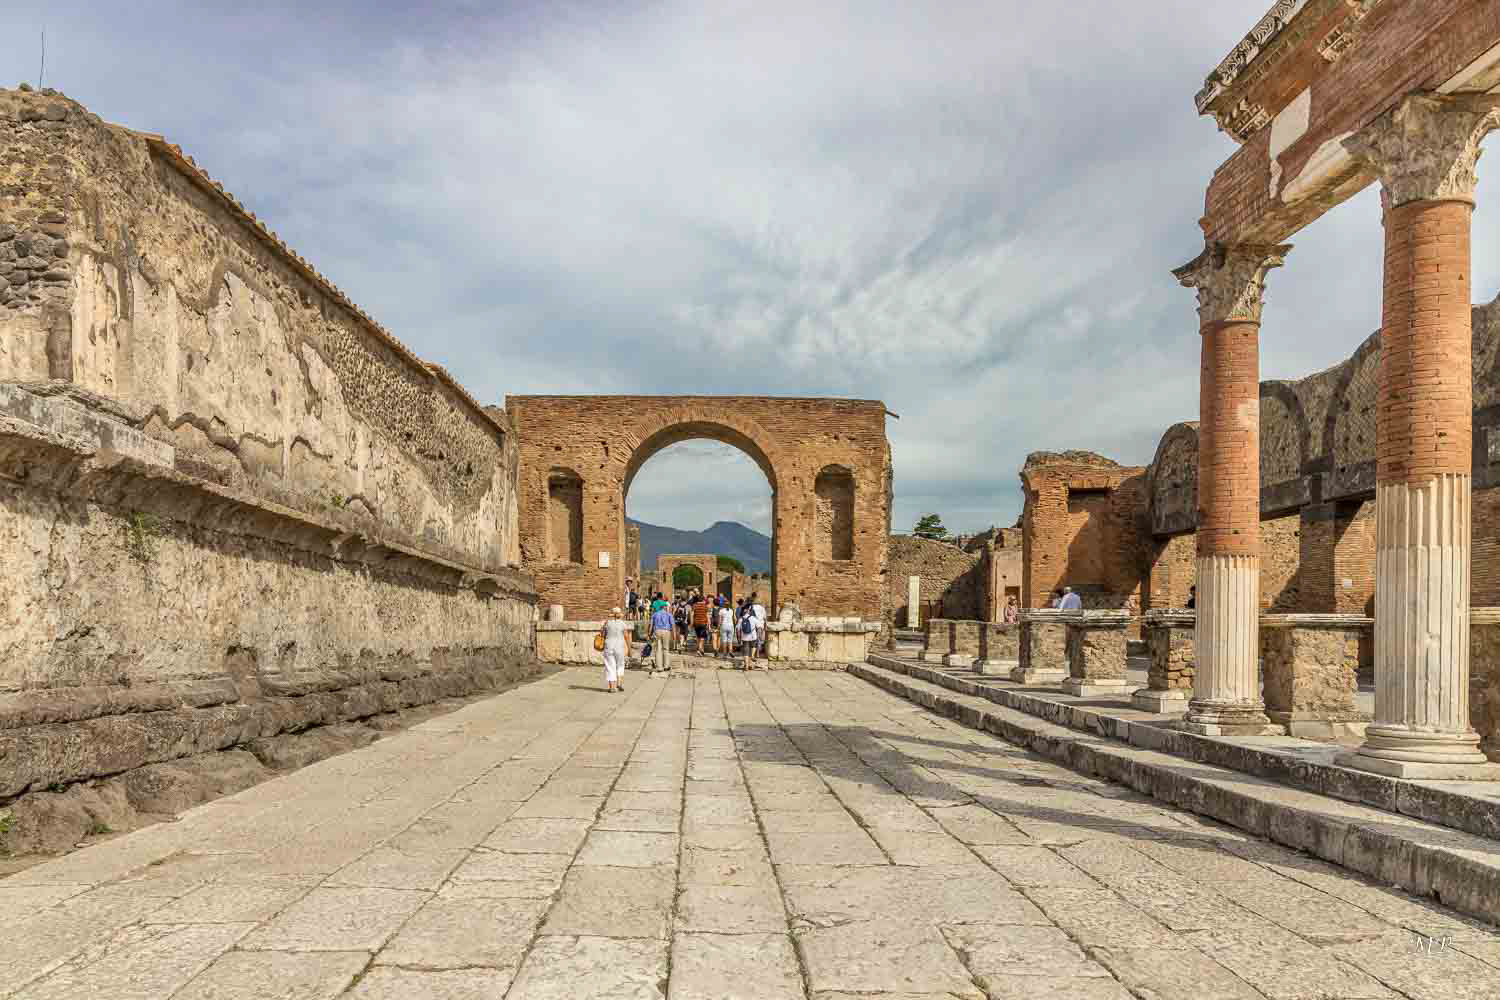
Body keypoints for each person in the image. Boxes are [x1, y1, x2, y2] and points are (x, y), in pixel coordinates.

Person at [599, 608, 630, 693]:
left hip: (609, 646)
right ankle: (619, 683)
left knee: (610, 666)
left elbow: (602, 635)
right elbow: (626, 636)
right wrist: (629, 648)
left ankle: (612, 687)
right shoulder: (622, 624)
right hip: (619, 646)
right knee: (620, 664)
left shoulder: (607, 623)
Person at [649, 599, 675, 674]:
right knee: (666, 648)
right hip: (666, 631)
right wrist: (674, 635)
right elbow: (673, 625)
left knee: (658, 649)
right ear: (664, 607)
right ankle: (666, 666)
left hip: (657, 631)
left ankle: (659, 667)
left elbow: (651, 625)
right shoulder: (669, 614)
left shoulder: (655, 614)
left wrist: (649, 633)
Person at [738, 603, 759, 670]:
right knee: (752, 648)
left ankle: (746, 666)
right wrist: (759, 636)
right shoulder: (753, 618)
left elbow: (738, 629)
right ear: (749, 611)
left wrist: (739, 638)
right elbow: (759, 627)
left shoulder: (741, 619)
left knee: (746, 651)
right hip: (753, 637)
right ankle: (751, 661)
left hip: (745, 637)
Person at [749, 592, 767, 661]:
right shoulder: (762, 608)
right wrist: (765, 626)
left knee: (753, 639)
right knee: (759, 640)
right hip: (760, 625)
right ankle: (758, 653)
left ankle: (752, 653)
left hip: (753, 625)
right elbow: (765, 618)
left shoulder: (751, 607)